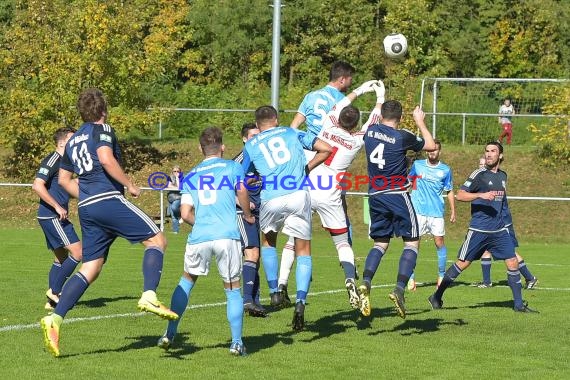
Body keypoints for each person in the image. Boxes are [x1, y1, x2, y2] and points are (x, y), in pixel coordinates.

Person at [40, 88, 178, 358]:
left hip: (87, 207)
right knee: (157, 240)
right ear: (103, 110)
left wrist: (89, 195)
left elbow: (65, 181)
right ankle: (149, 294)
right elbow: (105, 158)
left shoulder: (72, 141)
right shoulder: (101, 129)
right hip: (107, 199)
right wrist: (130, 184)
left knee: (91, 266)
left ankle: (55, 319)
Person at [277, 80, 385, 310]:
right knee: (341, 242)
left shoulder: (327, 125)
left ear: (339, 117)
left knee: (292, 239)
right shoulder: (357, 140)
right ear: (354, 123)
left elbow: (339, 107)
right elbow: (372, 123)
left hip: (309, 184)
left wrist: (359, 90)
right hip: (331, 191)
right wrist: (379, 99)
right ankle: (348, 277)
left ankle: (281, 284)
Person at [157, 127, 253, 356]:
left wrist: (202, 223)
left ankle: (169, 333)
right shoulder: (232, 167)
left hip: (200, 236)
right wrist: (248, 214)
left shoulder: (192, 175)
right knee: (232, 288)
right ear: (222, 147)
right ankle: (236, 342)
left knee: (186, 281)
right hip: (226, 236)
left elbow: (184, 212)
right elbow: (242, 191)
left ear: (201, 149)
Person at [241, 105, 331, 331]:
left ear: (258, 124)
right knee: (303, 250)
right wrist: (307, 168)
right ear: (276, 119)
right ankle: (300, 302)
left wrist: (258, 180)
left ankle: (274, 291)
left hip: (271, 197)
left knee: (268, 241)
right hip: (298, 194)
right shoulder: (292, 133)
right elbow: (326, 149)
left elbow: (242, 178)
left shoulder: (252, 144)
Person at [428, 142, 538, 313]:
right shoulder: (479, 174)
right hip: (479, 230)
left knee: (512, 261)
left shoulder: (503, 176)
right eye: (487, 151)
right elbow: (460, 195)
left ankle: (518, 305)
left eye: (493, 151)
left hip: (499, 230)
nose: (489, 154)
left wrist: (505, 223)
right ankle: (436, 296)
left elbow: (501, 203)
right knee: (462, 264)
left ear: (500, 156)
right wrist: (481, 195)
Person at [358, 101, 437, 319]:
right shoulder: (403, 136)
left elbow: (374, 122)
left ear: (381, 114)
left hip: (375, 195)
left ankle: (365, 282)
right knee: (412, 242)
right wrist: (420, 122)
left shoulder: (371, 131)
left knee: (380, 243)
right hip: (398, 195)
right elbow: (431, 145)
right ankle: (399, 289)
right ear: (401, 118)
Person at [32, 127, 83, 311]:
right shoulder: (53, 159)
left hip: (52, 215)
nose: (76, 141)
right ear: (62, 142)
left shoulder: (66, 163)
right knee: (78, 253)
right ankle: (55, 291)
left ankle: (51, 301)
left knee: (61, 257)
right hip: (51, 215)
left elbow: (64, 188)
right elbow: (37, 185)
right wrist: (56, 206)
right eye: (72, 138)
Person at [471, 157, 539, 289]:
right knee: (486, 249)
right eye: (479, 164)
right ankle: (487, 282)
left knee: (510, 253)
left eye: (483, 164)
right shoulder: (482, 179)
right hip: (490, 223)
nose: (481, 166)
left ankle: (530, 278)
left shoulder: (495, 179)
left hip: (502, 221)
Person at [407, 139, 456, 290]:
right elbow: (409, 182)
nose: (432, 152)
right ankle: (410, 277)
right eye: (430, 150)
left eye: (435, 150)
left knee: (439, 242)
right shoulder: (418, 165)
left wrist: (453, 211)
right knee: (414, 244)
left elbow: (449, 190)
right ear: (427, 151)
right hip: (418, 211)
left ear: (439, 151)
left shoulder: (446, 170)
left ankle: (441, 275)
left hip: (436, 212)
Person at [233, 123, 267, 317]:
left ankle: (254, 301)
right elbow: (225, 184)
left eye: (259, 135)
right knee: (251, 252)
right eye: (253, 136)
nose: (257, 139)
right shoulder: (240, 159)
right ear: (245, 139)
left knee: (256, 256)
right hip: (242, 213)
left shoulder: (262, 157)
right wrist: (242, 202)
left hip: (258, 213)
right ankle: (247, 300)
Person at [166, 165, 183, 234]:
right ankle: (175, 231)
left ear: (180, 172)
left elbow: (179, 187)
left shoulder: (182, 178)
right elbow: (168, 186)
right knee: (173, 216)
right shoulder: (169, 177)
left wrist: (177, 178)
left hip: (179, 197)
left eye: (177, 171)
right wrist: (175, 187)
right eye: (174, 171)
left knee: (174, 207)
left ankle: (181, 215)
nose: (176, 172)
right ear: (172, 172)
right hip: (171, 197)